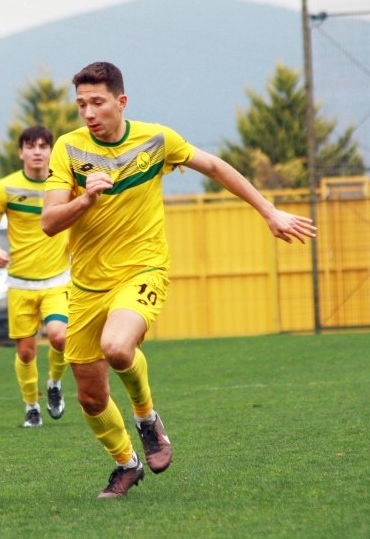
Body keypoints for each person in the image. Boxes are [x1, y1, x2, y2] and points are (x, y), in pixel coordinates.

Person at [41, 62, 316, 499]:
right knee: (91, 399)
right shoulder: (68, 150)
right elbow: (49, 222)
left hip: (143, 268)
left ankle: (148, 418)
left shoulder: (155, 139)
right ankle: (126, 464)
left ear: (120, 102)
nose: (88, 113)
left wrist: (269, 210)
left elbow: (215, 166)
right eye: (81, 105)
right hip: (88, 283)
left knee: (117, 347)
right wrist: (87, 198)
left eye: (97, 102)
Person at [0, 125, 70, 428]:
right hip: (20, 282)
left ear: (50, 151)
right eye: (30, 146)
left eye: (42, 146)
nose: (37, 151)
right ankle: (32, 406)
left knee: (60, 337)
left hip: (57, 280)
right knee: (25, 351)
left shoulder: (63, 185)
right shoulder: (5, 188)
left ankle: (54, 385)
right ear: (21, 151)